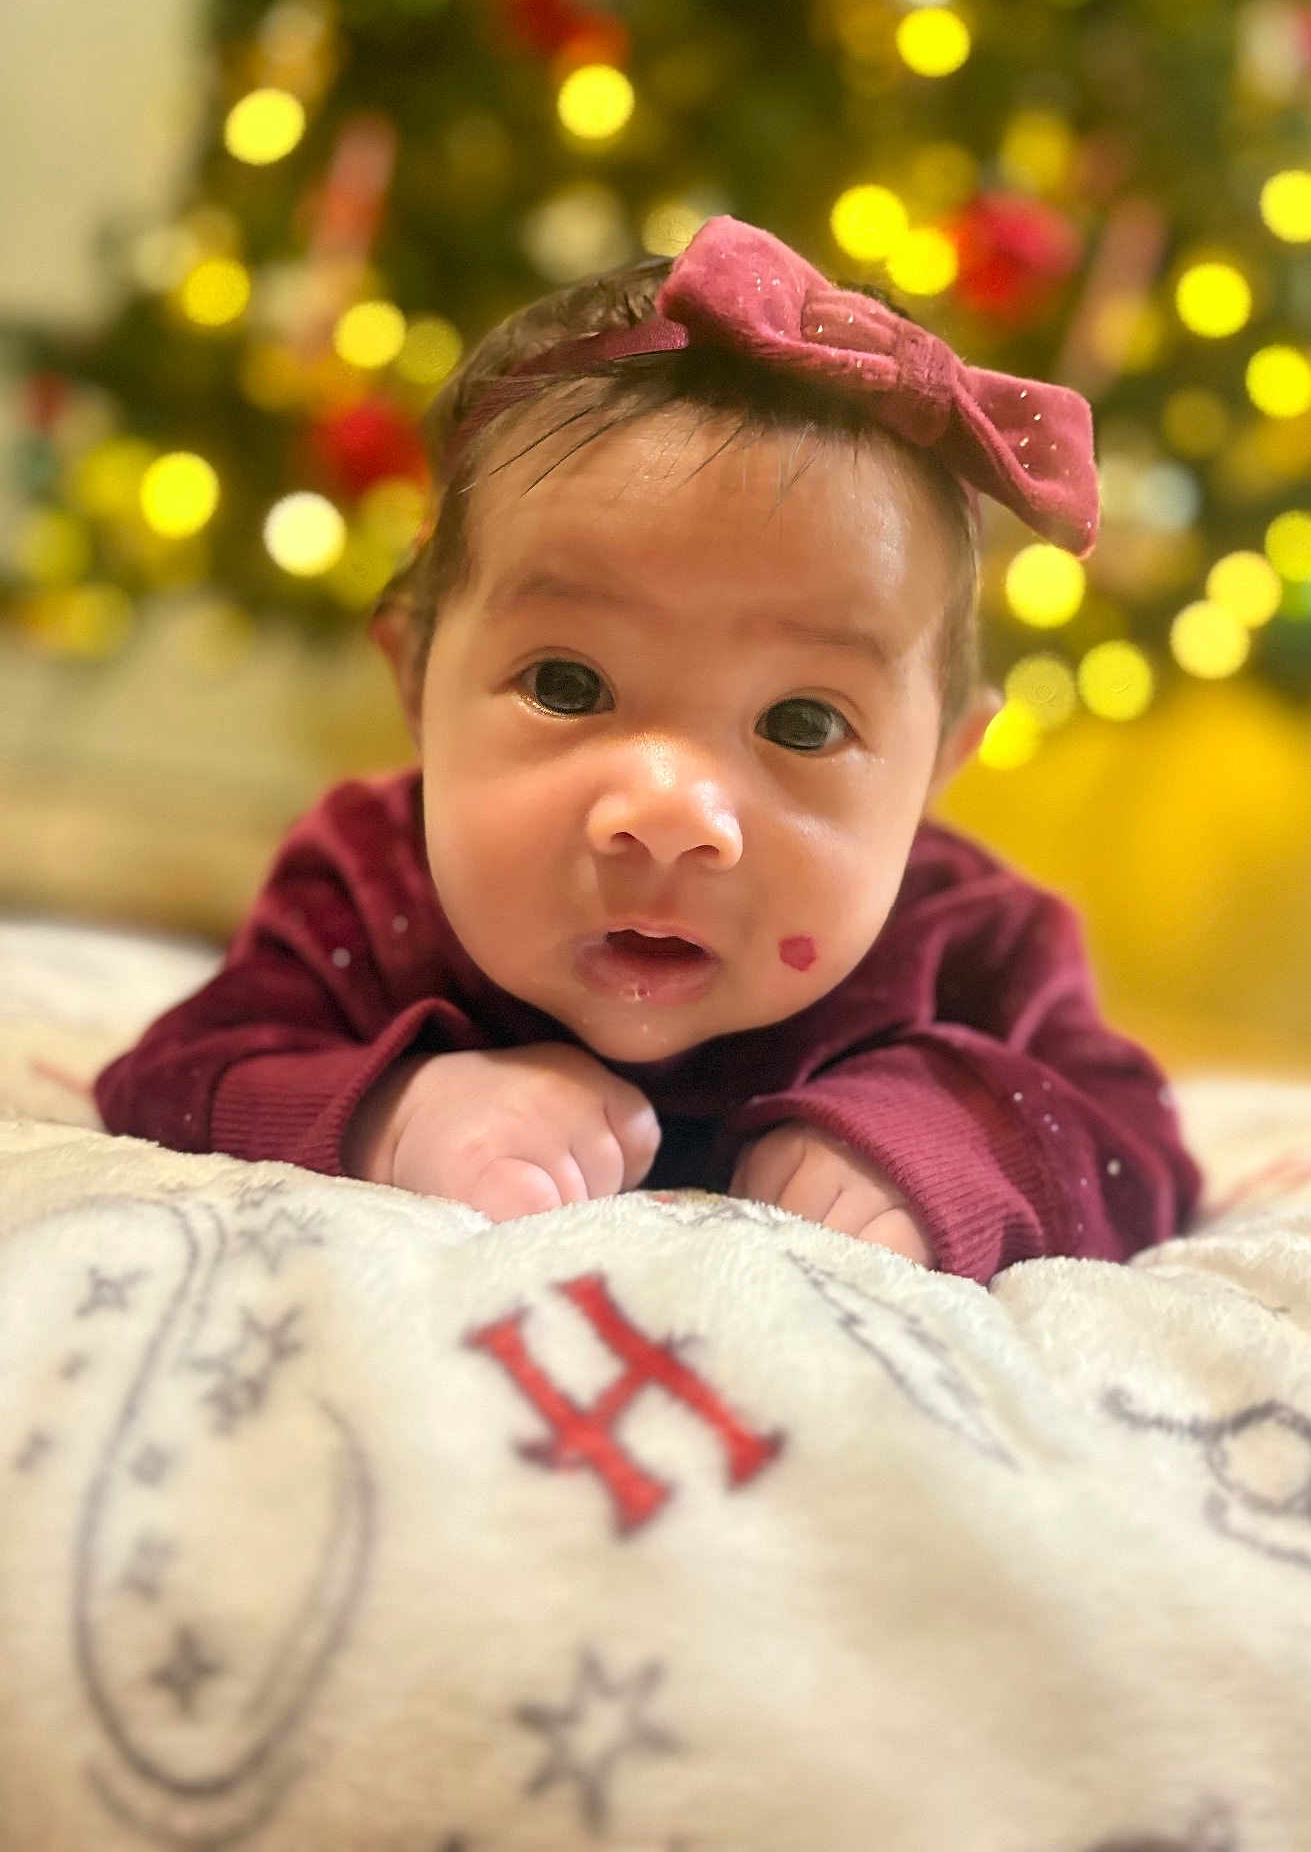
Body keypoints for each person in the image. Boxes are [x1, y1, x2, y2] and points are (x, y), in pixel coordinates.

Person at [95, 215, 1203, 1280]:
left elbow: (1130, 1140)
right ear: (417, 682)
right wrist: (396, 1112)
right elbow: (181, 1073)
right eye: (568, 686)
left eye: (805, 723)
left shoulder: (971, 944)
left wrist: (939, 1147)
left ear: (940, 768)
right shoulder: (367, 883)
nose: (669, 811)